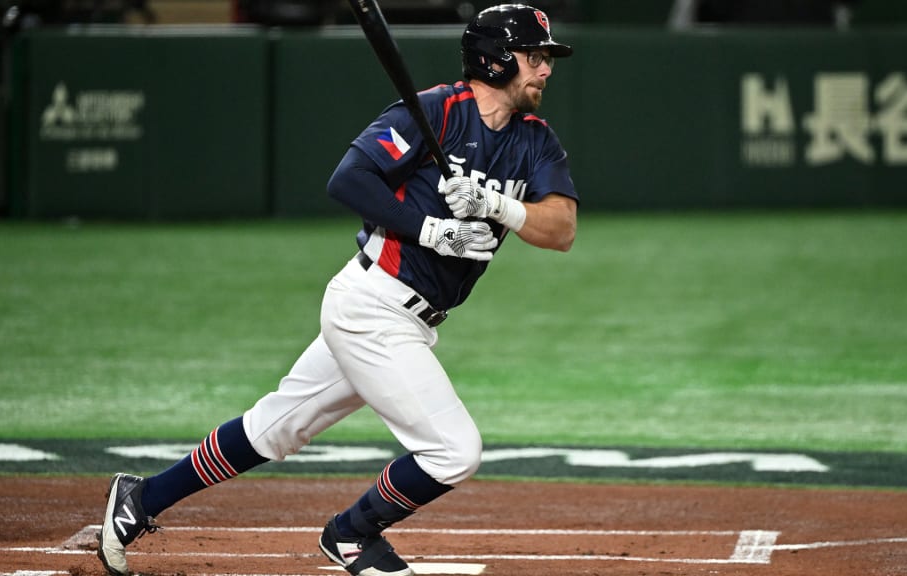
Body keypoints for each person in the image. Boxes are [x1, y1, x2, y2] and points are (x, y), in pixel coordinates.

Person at [95, 4, 578, 576]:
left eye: (546, 58)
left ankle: (141, 498)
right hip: (371, 306)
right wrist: (429, 228)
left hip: (410, 319)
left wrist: (497, 204)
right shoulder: (436, 112)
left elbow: (561, 229)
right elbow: (348, 178)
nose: (545, 70)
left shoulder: (533, 141)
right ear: (496, 62)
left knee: (276, 427)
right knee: (454, 450)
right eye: (534, 57)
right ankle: (352, 533)